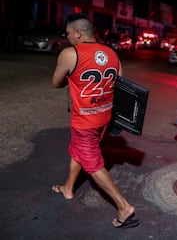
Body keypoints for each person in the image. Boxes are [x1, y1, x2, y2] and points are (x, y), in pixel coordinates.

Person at [51, 13, 139, 229]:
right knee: (78, 151)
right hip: (104, 117)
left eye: (69, 33)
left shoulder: (70, 53)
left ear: (78, 33)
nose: (68, 37)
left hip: (84, 121)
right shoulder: (112, 54)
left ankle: (123, 206)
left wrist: (73, 80)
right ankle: (68, 188)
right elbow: (120, 84)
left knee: (93, 164)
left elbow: (56, 82)